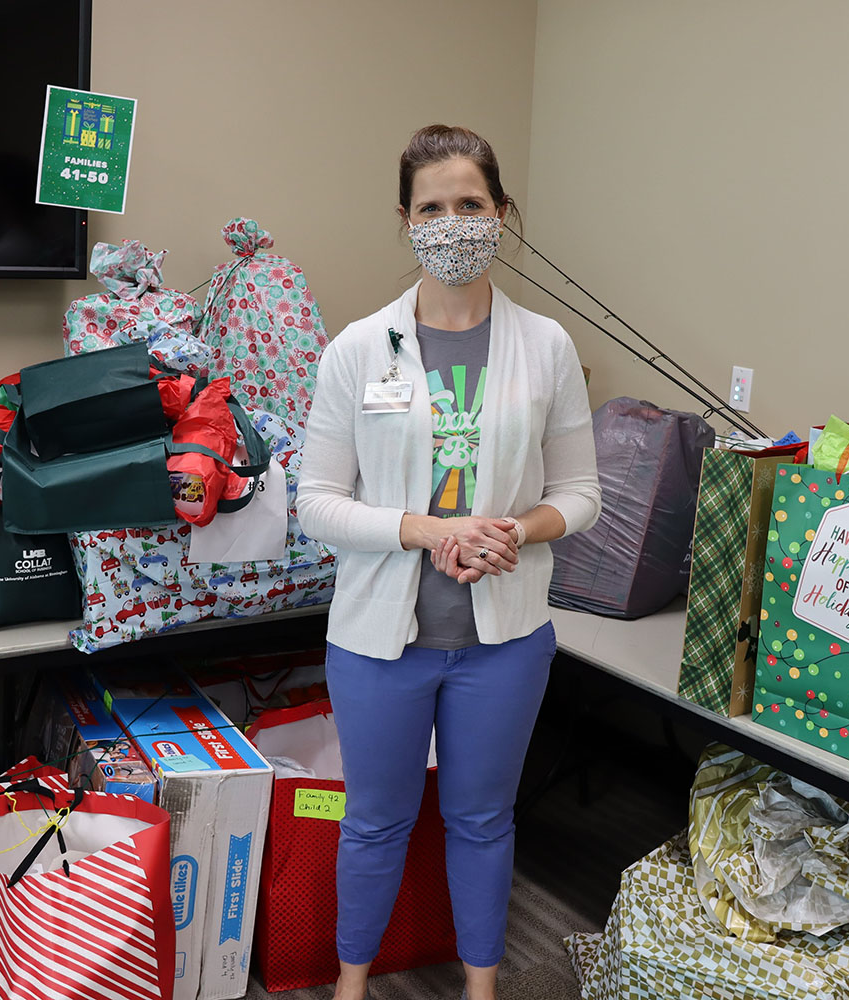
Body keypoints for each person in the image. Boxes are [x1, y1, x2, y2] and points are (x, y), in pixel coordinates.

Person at [296, 124, 601, 1000]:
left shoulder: (544, 347)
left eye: (471, 204)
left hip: (505, 642)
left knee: (480, 820)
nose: (453, 222)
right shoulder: (357, 350)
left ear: (502, 213)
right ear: (405, 220)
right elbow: (316, 501)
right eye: (433, 207)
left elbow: (582, 492)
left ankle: (482, 988)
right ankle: (352, 985)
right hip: (376, 642)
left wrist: (514, 528)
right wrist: (429, 531)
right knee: (375, 823)